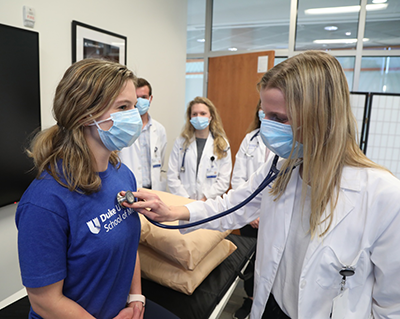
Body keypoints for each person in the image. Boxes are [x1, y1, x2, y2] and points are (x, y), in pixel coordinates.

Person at [125, 51, 400, 318]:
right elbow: (232, 205)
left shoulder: (383, 196)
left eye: (279, 118)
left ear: (321, 118)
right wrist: (174, 212)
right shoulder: (280, 169)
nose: (266, 126)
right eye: (264, 114)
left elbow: (392, 306)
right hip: (271, 306)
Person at [15, 59, 178, 319]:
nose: (134, 117)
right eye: (123, 107)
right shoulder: (45, 203)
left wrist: (136, 297)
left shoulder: (121, 174)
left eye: (134, 106)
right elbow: (45, 302)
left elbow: (128, 246)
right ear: (84, 114)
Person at [231, 100, 271, 319]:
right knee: (251, 261)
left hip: (272, 218)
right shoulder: (250, 139)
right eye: (262, 108)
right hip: (250, 216)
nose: (265, 113)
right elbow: (238, 179)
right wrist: (251, 213)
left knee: (269, 262)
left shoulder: (287, 143)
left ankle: (265, 303)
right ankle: (250, 300)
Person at [167, 96, 232, 200]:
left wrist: (204, 199)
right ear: (190, 117)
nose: (198, 117)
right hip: (184, 202)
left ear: (211, 116)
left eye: (203, 113)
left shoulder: (222, 144)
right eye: (194, 114)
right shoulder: (180, 142)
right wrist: (186, 199)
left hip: (210, 203)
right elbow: (172, 176)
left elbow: (223, 180)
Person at [119, 78, 167, 191]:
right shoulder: (121, 128)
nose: (140, 101)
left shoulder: (159, 130)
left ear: (150, 99)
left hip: (153, 189)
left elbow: (161, 161)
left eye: (144, 97)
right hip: (129, 189)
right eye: (137, 97)